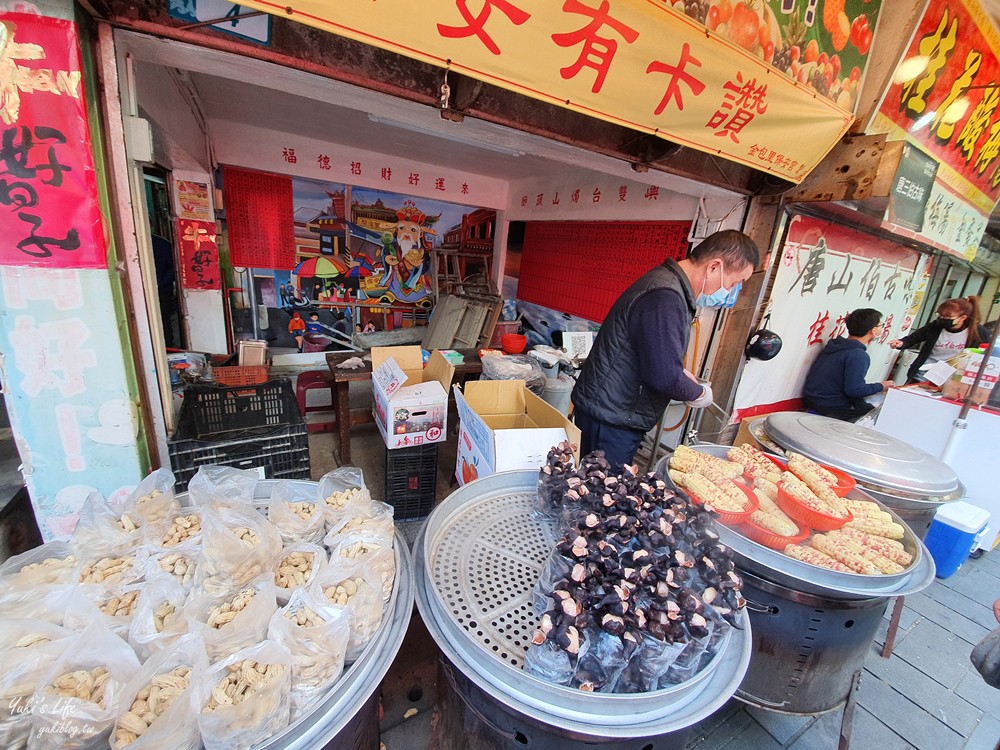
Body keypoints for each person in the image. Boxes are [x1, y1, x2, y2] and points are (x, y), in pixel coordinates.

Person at [571, 229, 759, 467]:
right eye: (734, 283)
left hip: (608, 410)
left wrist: (681, 375)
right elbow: (664, 377)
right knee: (599, 492)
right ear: (714, 267)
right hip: (612, 419)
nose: (731, 291)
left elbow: (650, 352)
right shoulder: (666, 298)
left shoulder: (664, 282)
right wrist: (697, 393)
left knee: (587, 484)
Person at [801, 308, 894, 422]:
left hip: (811, 398)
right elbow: (854, 390)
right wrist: (881, 386)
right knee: (877, 414)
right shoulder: (858, 355)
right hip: (829, 405)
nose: (882, 328)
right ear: (873, 330)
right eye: (881, 325)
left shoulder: (836, 345)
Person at [889, 296, 989, 383]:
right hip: (923, 375)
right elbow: (913, 338)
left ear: (963, 318)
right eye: (940, 315)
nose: (943, 318)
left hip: (952, 378)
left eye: (948, 316)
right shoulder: (936, 326)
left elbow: (984, 356)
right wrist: (901, 343)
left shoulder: (979, 333)